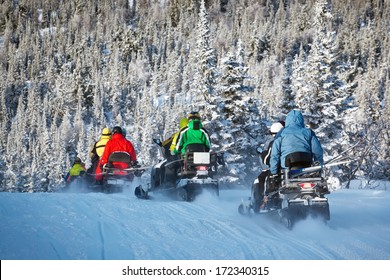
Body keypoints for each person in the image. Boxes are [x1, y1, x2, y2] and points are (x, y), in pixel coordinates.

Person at [269, 109, 324, 178]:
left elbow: (275, 154)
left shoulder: (281, 133)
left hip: (287, 167)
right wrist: (318, 165)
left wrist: (274, 172)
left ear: (288, 120)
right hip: (306, 165)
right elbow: (317, 150)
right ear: (301, 120)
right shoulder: (309, 132)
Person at [250, 121, 284, 213]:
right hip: (297, 170)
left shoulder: (276, 143)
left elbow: (269, 158)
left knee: (260, 179)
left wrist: (262, 153)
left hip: (278, 169)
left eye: (274, 134)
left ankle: (259, 203)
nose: (273, 136)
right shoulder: (297, 139)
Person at [151, 117, 189, 190]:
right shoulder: (193, 133)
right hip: (195, 158)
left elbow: (168, 143)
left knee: (169, 164)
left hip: (182, 156)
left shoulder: (179, 134)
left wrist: (162, 144)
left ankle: (169, 184)